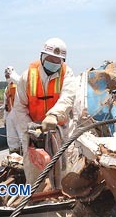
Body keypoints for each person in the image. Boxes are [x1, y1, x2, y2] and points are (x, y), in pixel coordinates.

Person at [13, 37, 76, 186]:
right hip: (34, 131)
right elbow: (19, 107)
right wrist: (30, 128)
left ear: (63, 61)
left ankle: (61, 198)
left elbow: (68, 96)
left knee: (63, 170)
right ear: (42, 56)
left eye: (57, 60)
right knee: (34, 170)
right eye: (50, 58)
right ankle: (35, 199)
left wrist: (54, 115)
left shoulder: (67, 73)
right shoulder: (27, 76)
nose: (53, 62)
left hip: (60, 129)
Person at [3, 66, 22, 154]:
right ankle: (14, 157)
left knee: (23, 138)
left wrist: (12, 75)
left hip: (21, 115)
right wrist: (5, 119)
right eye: (6, 76)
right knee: (11, 139)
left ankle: (25, 157)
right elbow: (5, 105)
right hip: (10, 115)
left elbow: (21, 83)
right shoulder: (7, 89)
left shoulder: (20, 84)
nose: (7, 77)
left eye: (8, 75)